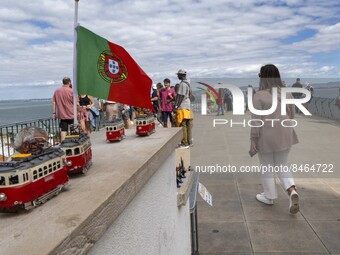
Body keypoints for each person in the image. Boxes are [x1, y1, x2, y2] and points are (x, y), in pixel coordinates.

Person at [249, 64, 300, 214]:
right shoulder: (286, 93)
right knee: (282, 164)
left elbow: (256, 122)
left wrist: (253, 141)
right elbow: (292, 115)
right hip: (286, 135)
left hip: (266, 137)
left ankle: (269, 196)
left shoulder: (259, 96)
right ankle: (292, 190)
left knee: (267, 167)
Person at [174, 69, 192, 149]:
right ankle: (189, 141)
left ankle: (184, 143)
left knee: (183, 124)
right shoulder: (188, 83)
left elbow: (180, 96)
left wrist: (176, 106)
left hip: (182, 107)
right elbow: (190, 95)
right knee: (188, 124)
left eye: (178, 75)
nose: (177, 76)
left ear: (181, 75)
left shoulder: (182, 84)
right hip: (187, 106)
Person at [52, 77, 74, 142]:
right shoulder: (72, 91)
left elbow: (54, 102)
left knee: (63, 130)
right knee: (74, 129)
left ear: (63, 82)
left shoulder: (57, 91)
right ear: (69, 82)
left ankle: (63, 144)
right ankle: (73, 143)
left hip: (62, 115)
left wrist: (54, 113)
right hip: (72, 114)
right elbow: (77, 103)